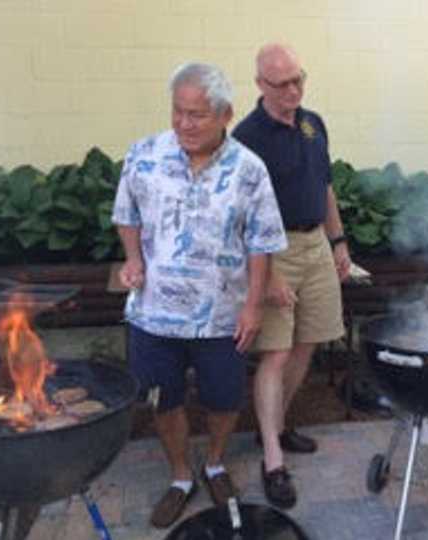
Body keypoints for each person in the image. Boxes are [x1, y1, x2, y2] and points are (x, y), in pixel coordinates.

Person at [111, 62, 287, 528]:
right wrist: (133, 258)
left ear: (226, 114)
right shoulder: (144, 154)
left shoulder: (249, 170)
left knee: (225, 399)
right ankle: (180, 475)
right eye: (178, 112)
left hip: (222, 317)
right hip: (154, 315)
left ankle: (213, 461)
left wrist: (252, 305)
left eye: (197, 115)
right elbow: (125, 213)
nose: (184, 124)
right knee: (161, 399)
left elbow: (262, 241)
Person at [232, 43, 351, 509]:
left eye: (299, 79)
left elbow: (324, 187)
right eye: (282, 84)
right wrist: (266, 275)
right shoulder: (245, 137)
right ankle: (273, 459)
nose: (294, 90)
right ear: (261, 85)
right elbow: (237, 217)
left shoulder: (312, 122)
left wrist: (338, 243)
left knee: (310, 340)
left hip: (316, 243)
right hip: (271, 250)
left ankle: (274, 426)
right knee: (276, 353)